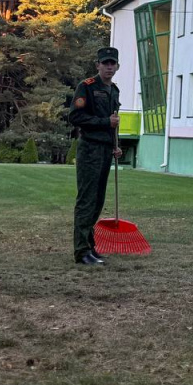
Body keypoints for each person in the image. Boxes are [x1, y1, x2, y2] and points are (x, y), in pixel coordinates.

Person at [68, 46, 122, 266]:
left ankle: (90, 247)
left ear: (117, 66)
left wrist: (115, 145)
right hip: (90, 148)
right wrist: (104, 122)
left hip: (105, 149)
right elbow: (75, 116)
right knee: (87, 199)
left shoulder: (114, 90)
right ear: (97, 65)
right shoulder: (87, 87)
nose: (109, 67)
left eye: (112, 63)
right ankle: (81, 251)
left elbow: (114, 122)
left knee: (98, 200)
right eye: (105, 63)